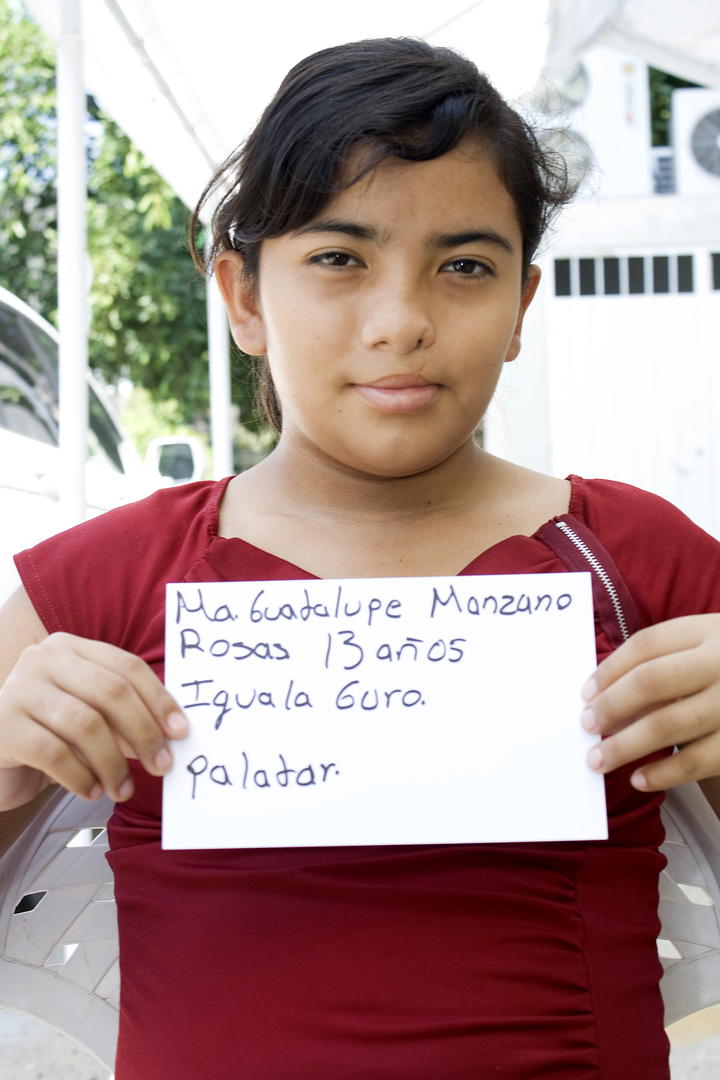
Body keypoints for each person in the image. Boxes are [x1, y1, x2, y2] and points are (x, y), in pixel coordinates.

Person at [1, 36, 719, 1079]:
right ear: (244, 296)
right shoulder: (96, 585)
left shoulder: (643, 563)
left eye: (465, 266)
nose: (401, 322)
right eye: (340, 258)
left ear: (522, 305)